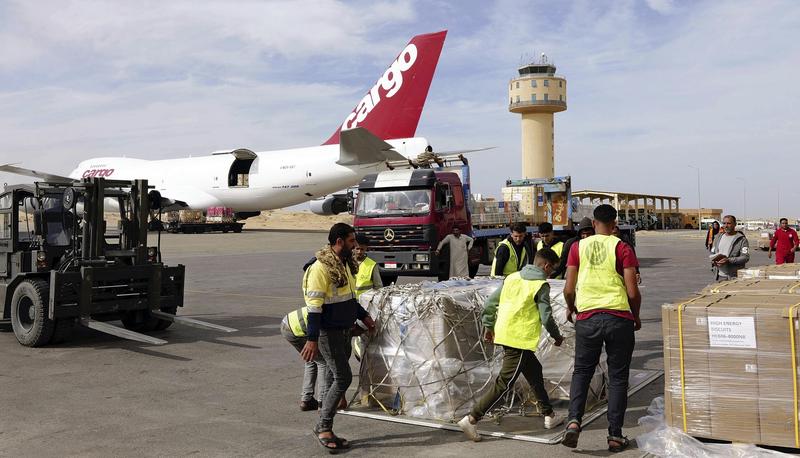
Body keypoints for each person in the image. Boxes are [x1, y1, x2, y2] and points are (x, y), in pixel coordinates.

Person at [457, 248, 565, 442]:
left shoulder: (512, 277)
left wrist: (489, 326)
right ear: (546, 266)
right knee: (504, 382)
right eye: (552, 269)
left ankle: (549, 415)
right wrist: (557, 336)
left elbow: (491, 302)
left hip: (505, 333)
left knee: (535, 372)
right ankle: (472, 418)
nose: (551, 273)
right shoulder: (541, 285)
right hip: (519, 339)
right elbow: (547, 316)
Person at [562, 205, 641, 453]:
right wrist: (635, 316)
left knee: (582, 372)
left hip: (588, 318)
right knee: (618, 377)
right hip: (619, 317)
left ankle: (574, 421)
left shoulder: (577, 247)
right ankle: (615, 435)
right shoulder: (622, 247)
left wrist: (570, 307)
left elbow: (568, 288)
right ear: (614, 223)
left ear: (594, 223)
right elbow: (632, 291)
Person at [300, 223, 376, 453]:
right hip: (328, 332)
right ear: (339, 241)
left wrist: (365, 317)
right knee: (342, 378)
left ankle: (326, 423)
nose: (355, 247)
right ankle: (323, 427)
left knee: (336, 377)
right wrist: (312, 339)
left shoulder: (344, 265)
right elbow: (314, 308)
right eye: (352, 241)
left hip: (345, 330)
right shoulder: (321, 268)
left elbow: (349, 299)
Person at [280, 305, 332, 411]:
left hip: (287, 324)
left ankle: (307, 400)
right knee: (323, 361)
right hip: (297, 330)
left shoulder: (330, 306)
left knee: (311, 359)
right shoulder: (333, 316)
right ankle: (323, 402)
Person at [709, 215, 750, 281]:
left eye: (729, 223)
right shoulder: (718, 237)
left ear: (735, 224)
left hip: (734, 277)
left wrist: (728, 260)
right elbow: (713, 252)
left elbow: (745, 257)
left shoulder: (742, 239)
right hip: (719, 275)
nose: (726, 226)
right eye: (724, 223)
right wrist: (714, 260)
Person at [354, 234, 383, 298]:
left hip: (365, 303)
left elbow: (378, 287)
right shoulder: (347, 262)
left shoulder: (372, 265)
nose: (359, 252)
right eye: (357, 249)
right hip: (351, 303)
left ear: (366, 248)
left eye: (362, 249)